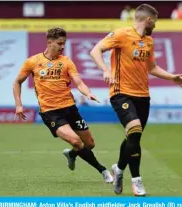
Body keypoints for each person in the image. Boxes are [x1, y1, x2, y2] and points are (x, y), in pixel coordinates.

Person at [90, 4, 182, 196]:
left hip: (143, 95)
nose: (156, 25)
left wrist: (172, 77)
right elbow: (96, 50)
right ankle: (137, 182)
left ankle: (118, 169)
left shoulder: (149, 41)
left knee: (133, 136)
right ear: (148, 20)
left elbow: (152, 68)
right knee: (134, 129)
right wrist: (105, 69)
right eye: (156, 22)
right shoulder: (121, 34)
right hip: (121, 91)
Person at [13, 27, 114, 184]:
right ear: (49, 42)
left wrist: (87, 93)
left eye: (64, 43)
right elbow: (17, 82)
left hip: (70, 108)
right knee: (75, 141)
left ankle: (71, 155)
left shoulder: (66, 61)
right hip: (50, 112)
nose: (62, 47)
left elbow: (79, 83)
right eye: (60, 43)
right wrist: (19, 105)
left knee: (89, 144)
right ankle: (103, 170)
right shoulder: (33, 62)